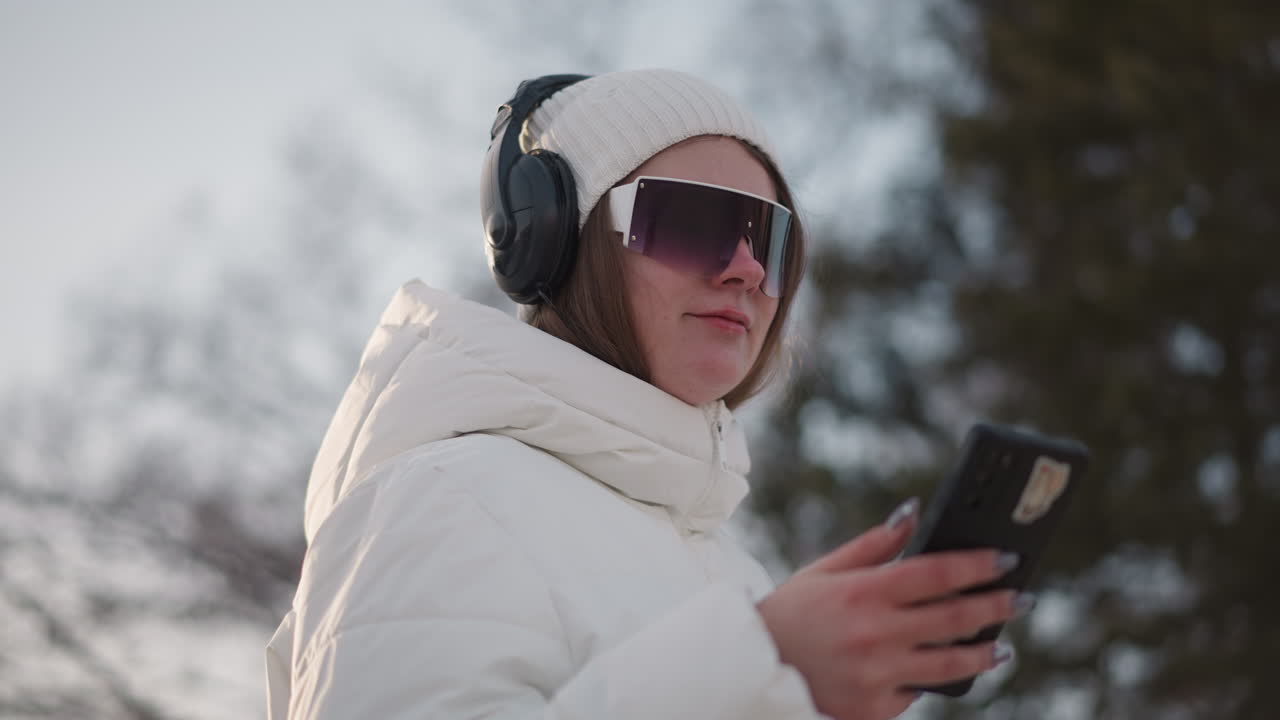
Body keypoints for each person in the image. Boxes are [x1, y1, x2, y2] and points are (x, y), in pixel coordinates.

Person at [264, 69, 1030, 720]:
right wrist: (761, 667)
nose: (746, 270)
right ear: (559, 240)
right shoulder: (440, 496)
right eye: (692, 222)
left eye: (771, 239)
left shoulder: (732, 566)